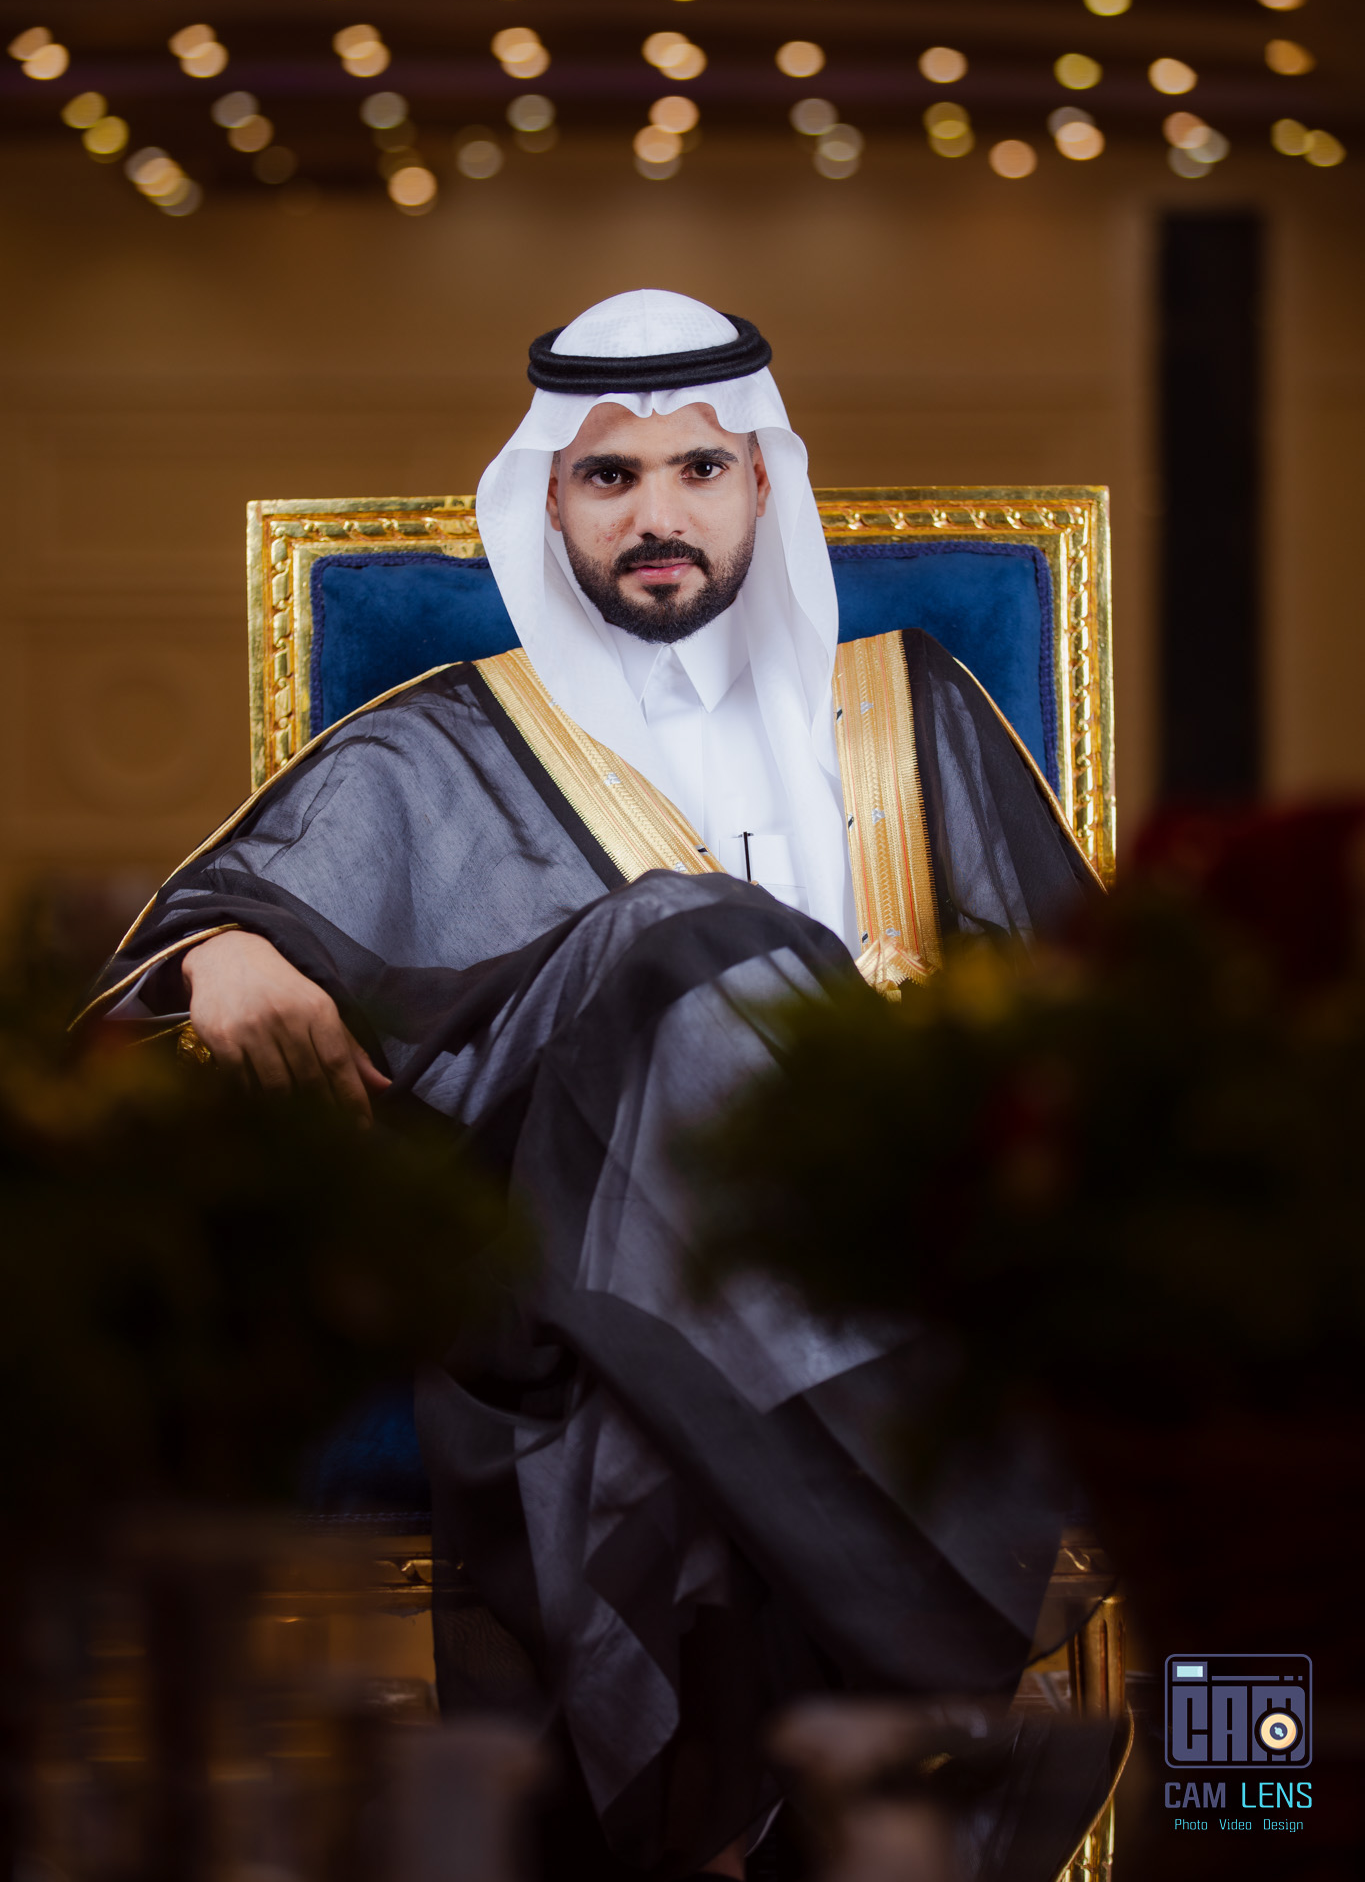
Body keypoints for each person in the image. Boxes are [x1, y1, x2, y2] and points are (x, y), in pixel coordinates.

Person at [85, 292, 1105, 1881]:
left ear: (761, 481)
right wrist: (223, 953)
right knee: (670, 931)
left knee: (651, 1414)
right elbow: (170, 970)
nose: (655, 516)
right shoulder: (442, 745)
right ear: (547, 500)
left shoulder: (907, 715)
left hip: (861, 1264)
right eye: (607, 476)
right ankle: (936, 1656)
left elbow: (1079, 1021)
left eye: (697, 469)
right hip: (546, 1284)